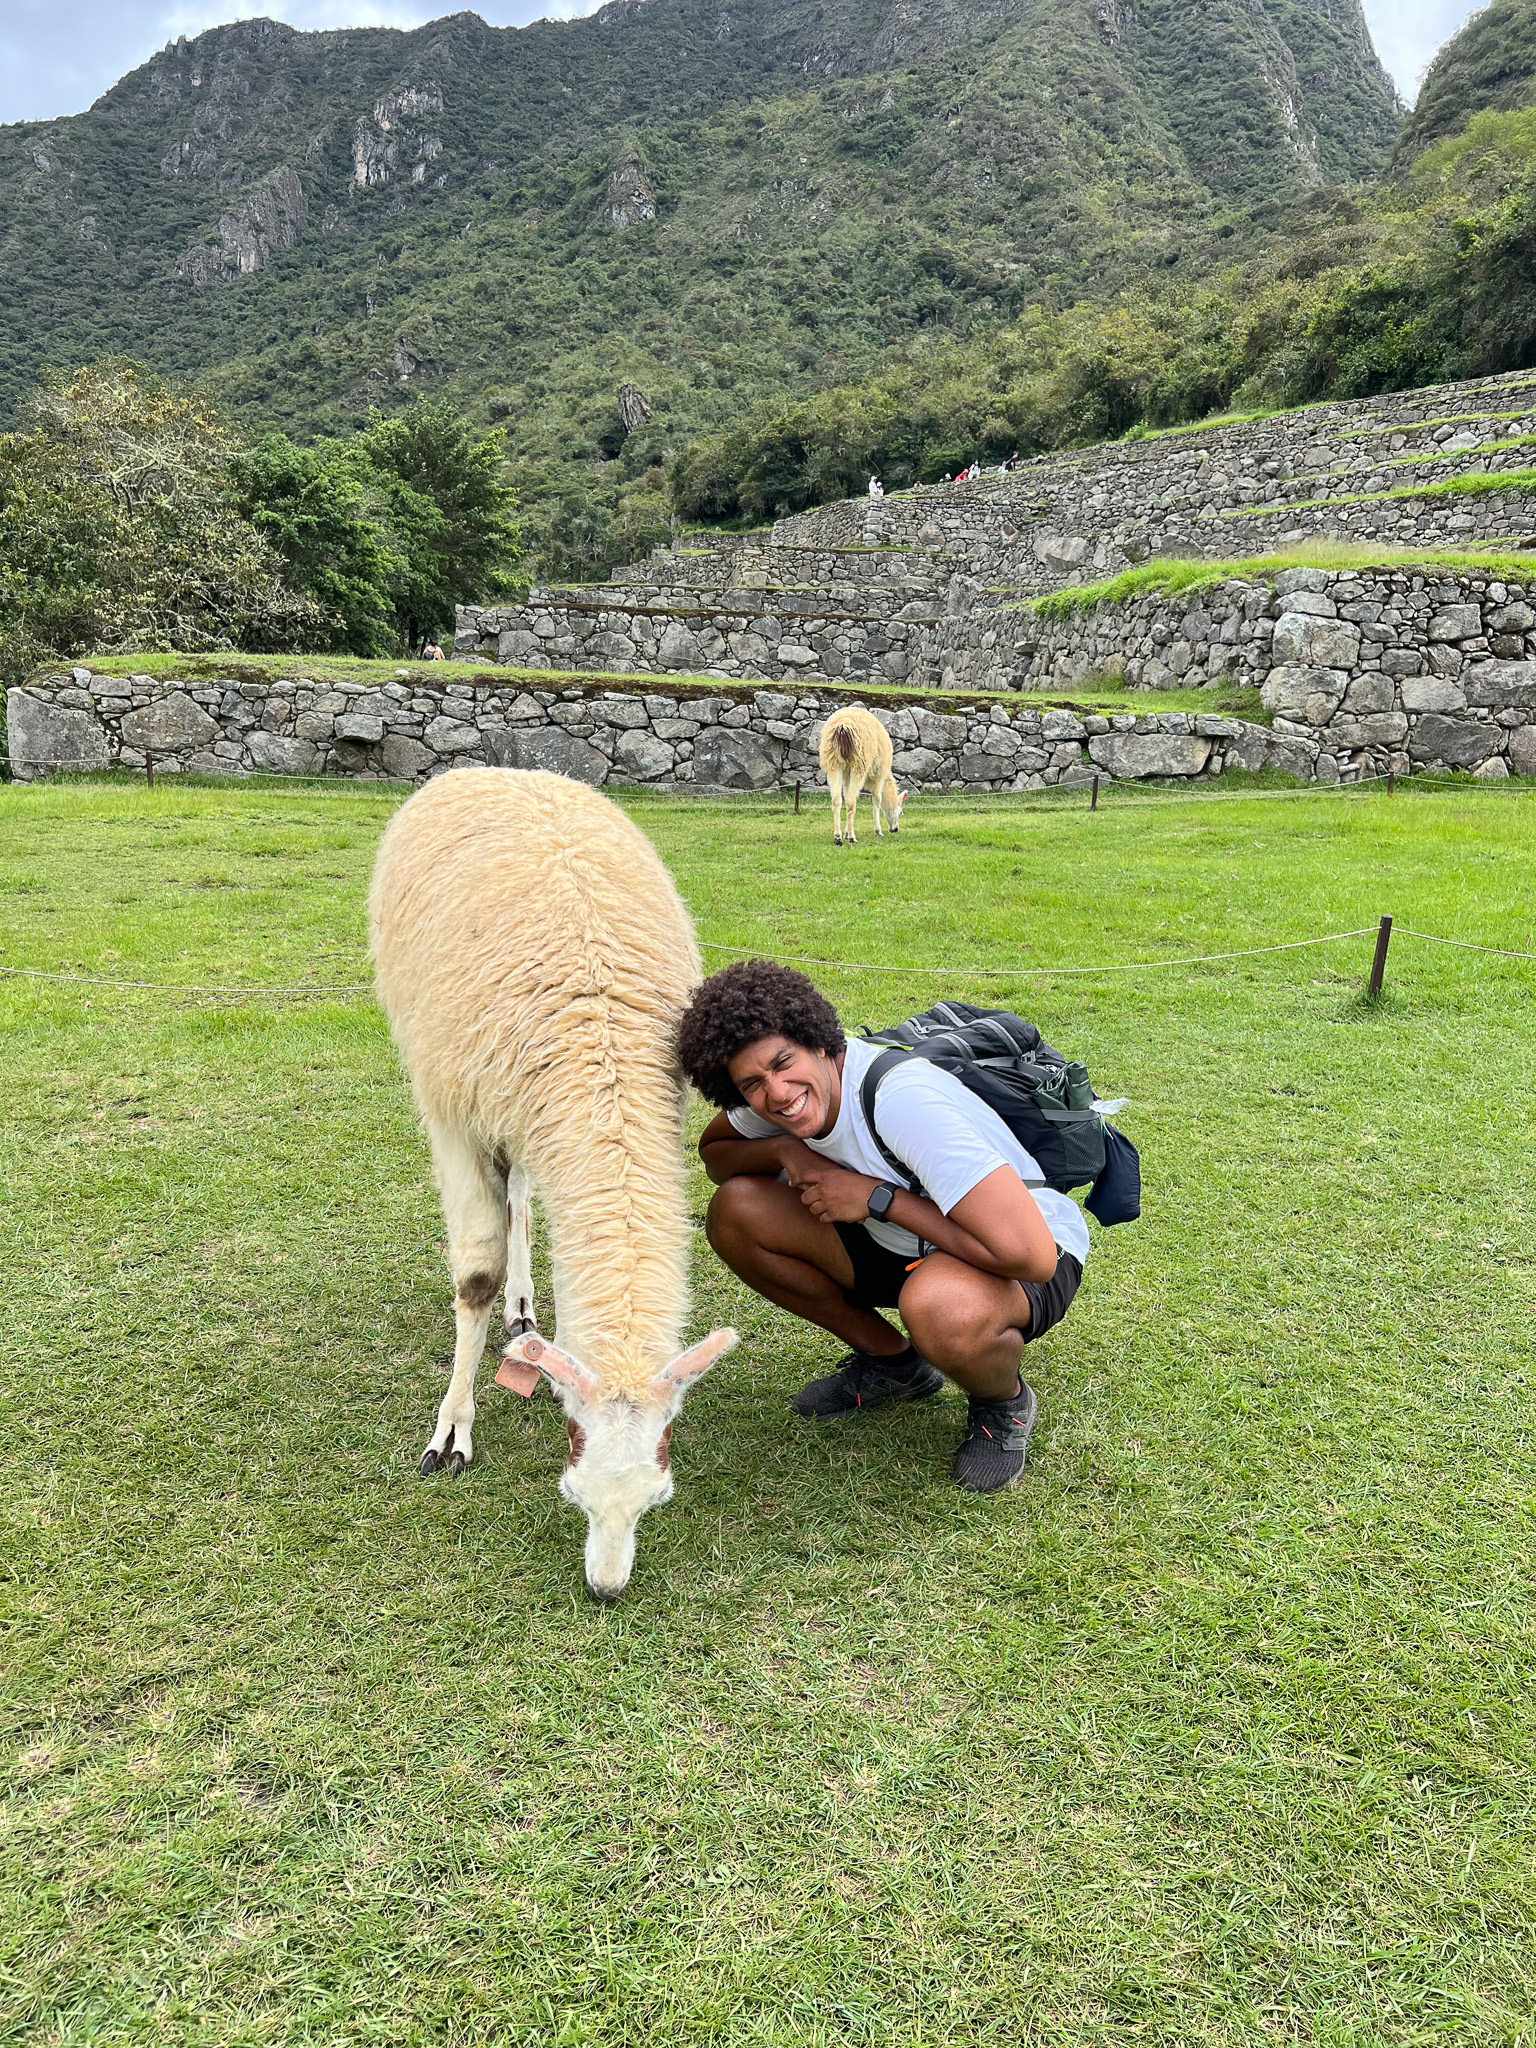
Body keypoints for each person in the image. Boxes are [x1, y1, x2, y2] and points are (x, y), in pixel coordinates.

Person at [677, 960, 1089, 1494]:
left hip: (1028, 1245)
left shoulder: (902, 1101)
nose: (777, 1094)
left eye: (784, 1063)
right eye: (752, 1084)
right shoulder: (779, 1102)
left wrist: (879, 1199)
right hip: (902, 1243)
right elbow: (716, 1157)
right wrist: (783, 1149)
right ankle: (897, 1367)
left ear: (821, 1043)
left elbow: (1029, 1256)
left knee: (940, 1306)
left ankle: (1002, 1402)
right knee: (737, 1211)